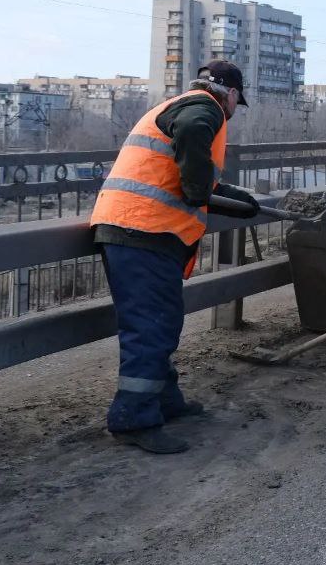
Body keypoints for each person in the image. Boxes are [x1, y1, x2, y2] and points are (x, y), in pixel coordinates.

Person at [90, 60, 261, 454]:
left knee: (160, 322)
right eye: (237, 101)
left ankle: (165, 399)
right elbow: (192, 155)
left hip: (136, 228)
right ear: (231, 94)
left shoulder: (182, 103)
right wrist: (200, 188)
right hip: (142, 230)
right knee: (151, 326)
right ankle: (134, 418)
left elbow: (184, 172)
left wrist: (232, 198)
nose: (234, 110)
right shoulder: (205, 109)